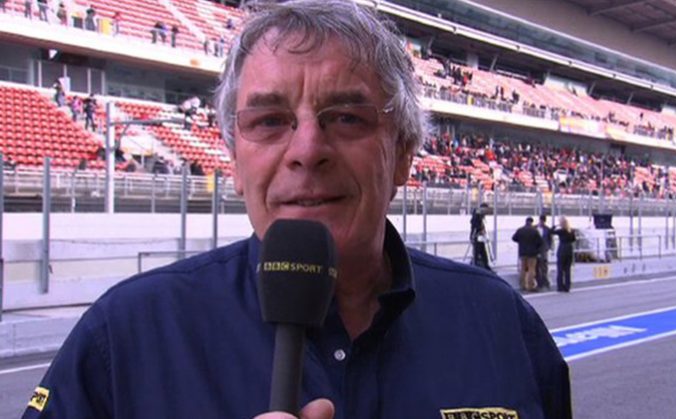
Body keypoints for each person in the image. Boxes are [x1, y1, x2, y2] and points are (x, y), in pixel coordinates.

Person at [22, 2, 571, 418]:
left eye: (347, 118)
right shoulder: (125, 335)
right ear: (235, 161)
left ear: (404, 153)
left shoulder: (501, 322)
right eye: (269, 121)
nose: (307, 150)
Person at [512, 216, 543, 292]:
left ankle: (522, 285)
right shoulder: (534, 230)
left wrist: (521, 242)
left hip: (522, 252)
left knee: (522, 269)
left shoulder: (520, 230)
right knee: (531, 269)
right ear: (532, 222)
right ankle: (530, 286)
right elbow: (540, 242)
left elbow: (514, 238)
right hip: (532, 253)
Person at [552, 216, 576, 293]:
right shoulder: (571, 231)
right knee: (567, 269)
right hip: (569, 250)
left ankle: (560, 286)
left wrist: (555, 226)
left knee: (560, 269)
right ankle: (567, 286)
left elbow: (551, 232)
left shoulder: (561, 231)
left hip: (562, 249)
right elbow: (573, 239)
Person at [469, 203, 492, 271]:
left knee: (482, 251)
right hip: (476, 236)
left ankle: (485, 265)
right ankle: (477, 266)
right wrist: (480, 228)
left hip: (479, 236)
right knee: (478, 251)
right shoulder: (477, 212)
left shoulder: (479, 214)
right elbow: (473, 222)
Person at [536, 214, 553, 291]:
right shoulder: (535, 228)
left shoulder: (547, 229)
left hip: (543, 250)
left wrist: (548, 247)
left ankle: (545, 282)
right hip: (535, 249)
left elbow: (550, 239)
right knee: (537, 267)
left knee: (544, 266)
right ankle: (539, 283)